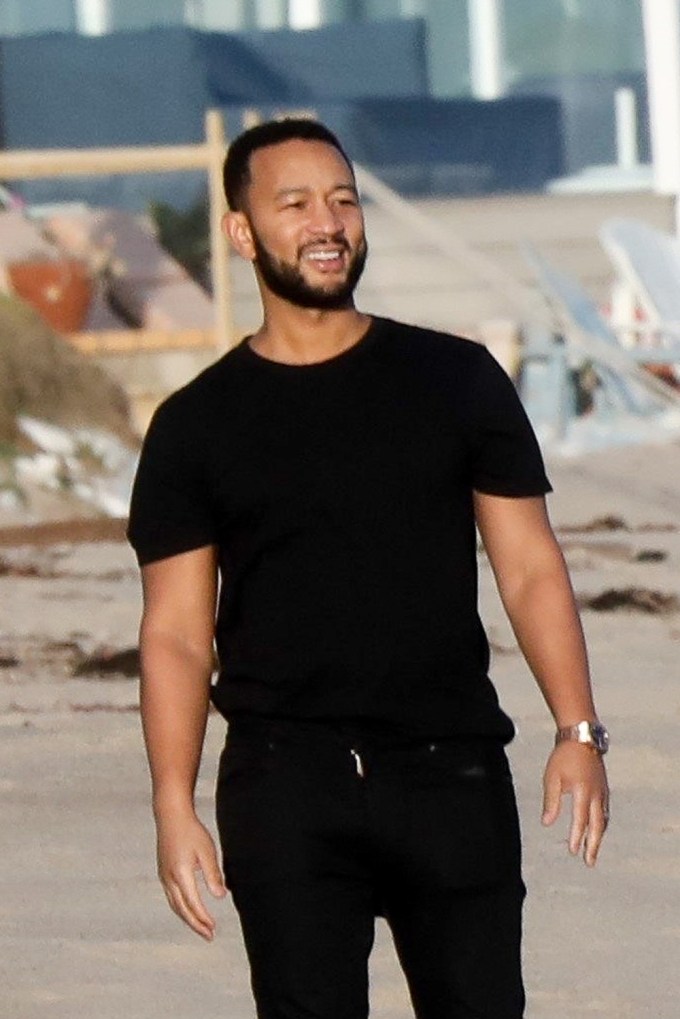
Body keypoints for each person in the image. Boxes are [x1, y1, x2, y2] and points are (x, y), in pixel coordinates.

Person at [127, 118, 610, 1019]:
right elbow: (177, 635)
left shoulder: (456, 379)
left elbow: (532, 569)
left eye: (343, 199)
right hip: (285, 787)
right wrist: (172, 802)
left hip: (451, 777)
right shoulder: (197, 426)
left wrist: (577, 731)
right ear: (242, 232)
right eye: (297, 202)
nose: (329, 222)